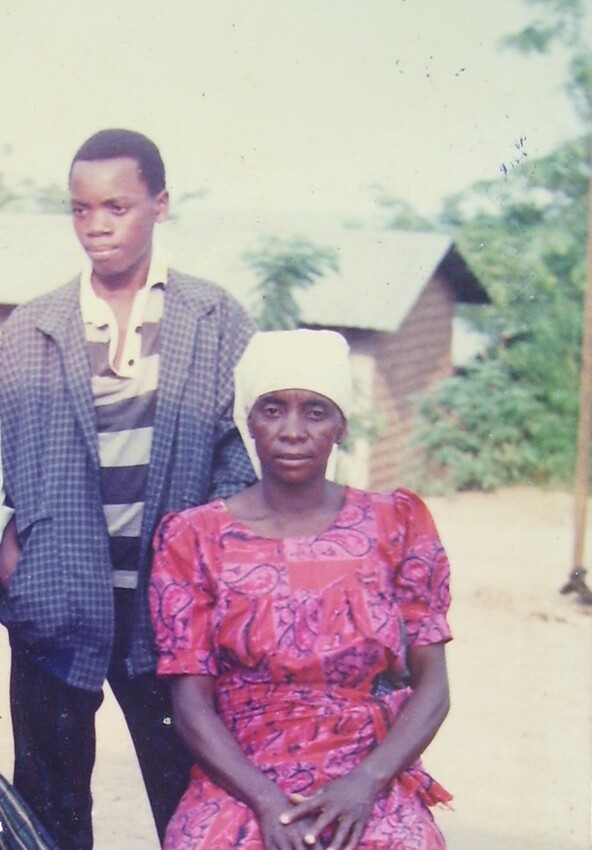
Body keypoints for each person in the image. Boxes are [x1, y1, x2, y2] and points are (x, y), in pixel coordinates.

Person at [0, 128, 257, 850]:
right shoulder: (33, 329)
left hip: (172, 615)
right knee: (49, 814)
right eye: (80, 210)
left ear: (160, 204)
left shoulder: (215, 320)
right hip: (56, 605)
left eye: (117, 205)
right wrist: (7, 544)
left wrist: (209, 559)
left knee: (196, 803)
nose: (97, 225)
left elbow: (244, 454)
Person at [149, 328, 453, 850]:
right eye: (272, 409)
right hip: (241, 777)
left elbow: (434, 688)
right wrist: (265, 800)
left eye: (315, 411)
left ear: (341, 426)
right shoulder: (194, 537)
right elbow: (190, 701)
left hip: (365, 770)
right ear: (248, 423)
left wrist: (366, 783)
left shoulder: (396, 523)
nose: (293, 431)